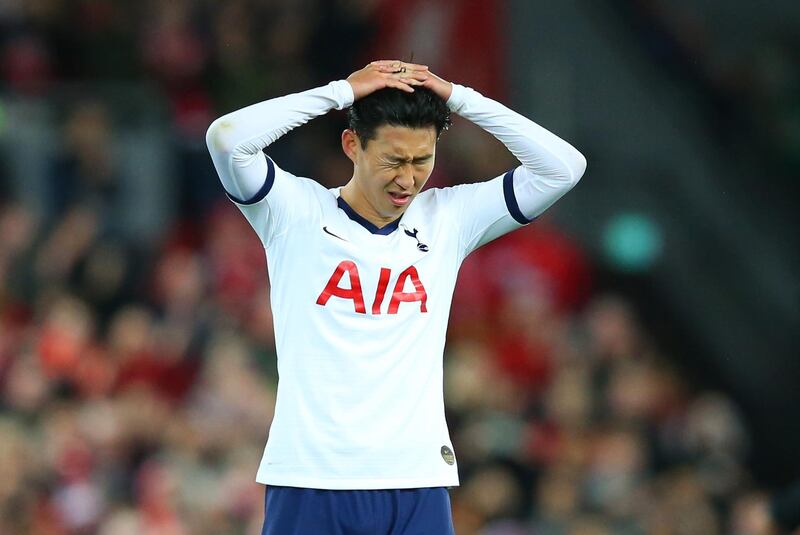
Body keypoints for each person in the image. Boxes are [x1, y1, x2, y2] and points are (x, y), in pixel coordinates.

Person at [206, 59, 586, 534]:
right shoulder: (295, 212)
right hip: (309, 477)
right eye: (393, 160)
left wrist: (460, 98)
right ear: (352, 145)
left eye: (421, 160)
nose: (408, 179)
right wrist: (340, 92)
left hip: (416, 480)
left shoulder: (448, 219)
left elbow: (564, 168)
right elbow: (226, 139)